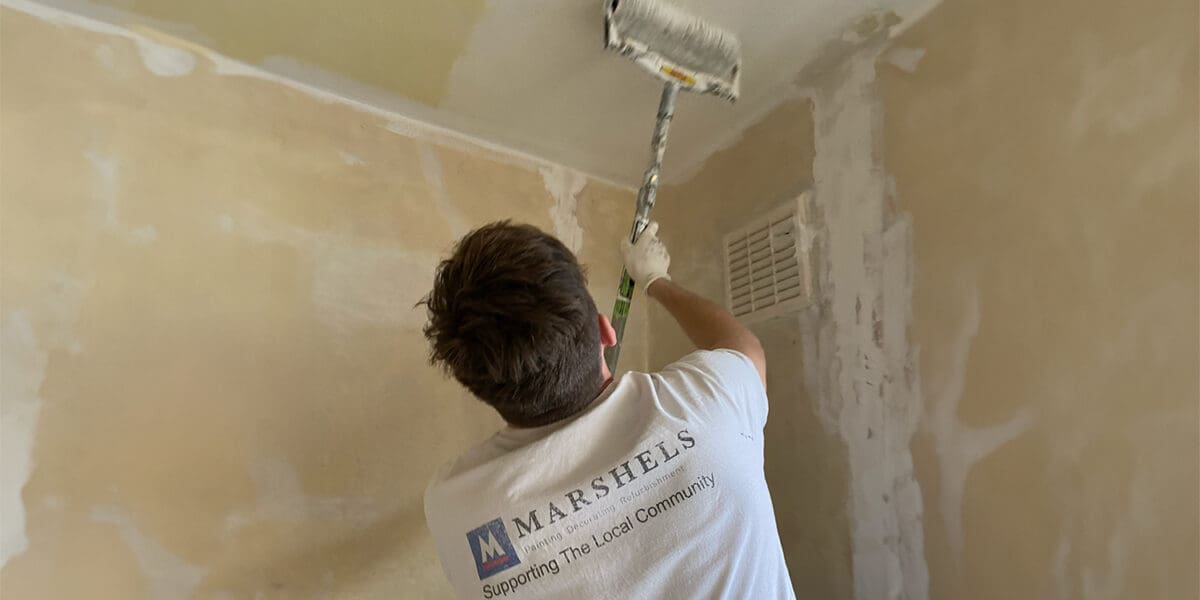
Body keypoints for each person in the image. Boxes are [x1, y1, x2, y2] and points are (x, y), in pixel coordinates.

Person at [421, 220, 795, 599]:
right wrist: (654, 280)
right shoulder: (709, 402)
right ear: (605, 331)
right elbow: (741, 345)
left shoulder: (453, 506)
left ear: (478, 388)